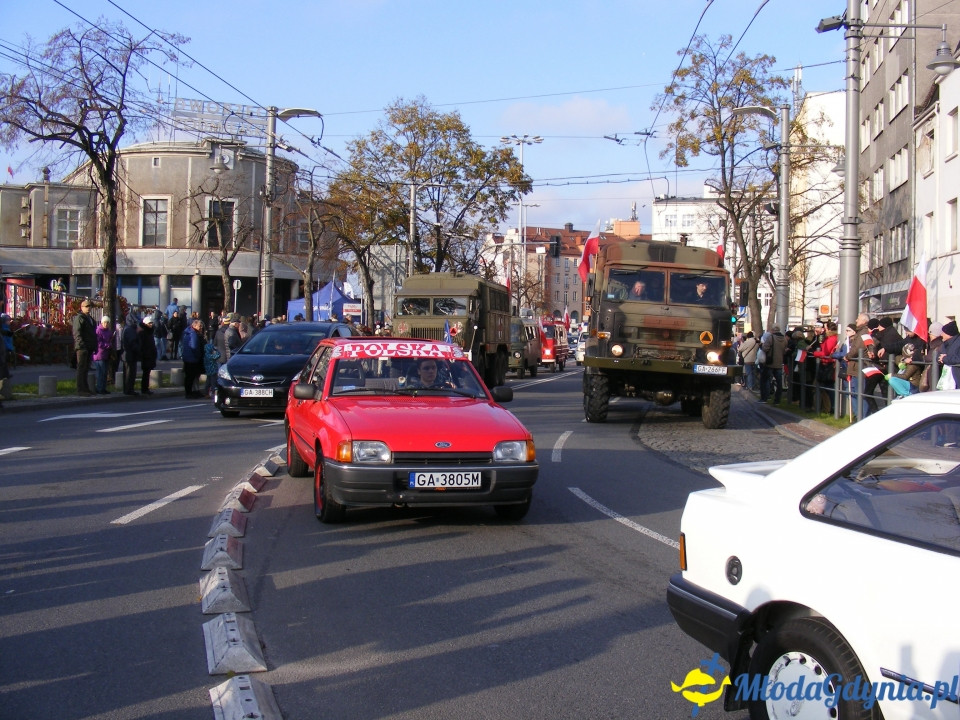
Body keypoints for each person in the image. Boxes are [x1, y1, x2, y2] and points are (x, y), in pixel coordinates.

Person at [72, 298, 97, 396]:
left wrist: (94, 346)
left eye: (89, 306)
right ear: (81, 307)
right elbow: (77, 333)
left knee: (86, 368)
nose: (88, 308)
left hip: (89, 347)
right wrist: (81, 345)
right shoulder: (79, 318)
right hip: (82, 347)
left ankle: (86, 388)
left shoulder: (90, 319)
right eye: (86, 306)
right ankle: (80, 389)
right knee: (81, 368)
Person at [759, 326, 787, 404]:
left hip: (770, 362)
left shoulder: (771, 338)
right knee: (779, 382)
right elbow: (784, 350)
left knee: (764, 380)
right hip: (779, 363)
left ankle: (764, 398)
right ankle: (777, 400)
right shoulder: (784, 339)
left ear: (773, 330)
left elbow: (765, 348)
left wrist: (761, 345)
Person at [181, 317, 206, 398]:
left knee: (190, 376)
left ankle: (190, 392)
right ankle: (189, 393)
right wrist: (198, 355)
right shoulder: (193, 334)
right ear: (194, 326)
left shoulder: (187, 332)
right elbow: (194, 346)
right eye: (199, 326)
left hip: (187, 357)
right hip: (192, 358)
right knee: (190, 377)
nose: (200, 328)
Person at [92, 315, 114, 394]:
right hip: (99, 354)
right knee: (100, 372)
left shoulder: (108, 331)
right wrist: (107, 345)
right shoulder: (98, 331)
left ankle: (103, 388)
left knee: (105, 372)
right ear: (102, 322)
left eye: (107, 323)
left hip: (106, 354)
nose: (106, 324)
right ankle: (99, 388)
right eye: (105, 322)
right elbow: (99, 343)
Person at [122, 313, 141, 395]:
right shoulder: (130, 330)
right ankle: (129, 389)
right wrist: (138, 349)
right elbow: (132, 342)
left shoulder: (127, 328)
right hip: (129, 355)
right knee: (130, 373)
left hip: (128, 354)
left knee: (129, 373)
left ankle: (128, 389)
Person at [139, 315, 158, 395]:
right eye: (149, 323)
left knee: (148, 372)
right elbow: (142, 345)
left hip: (151, 355)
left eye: (151, 323)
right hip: (146, 355)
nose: (151, 325)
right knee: (145, 373)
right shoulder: (143, 333)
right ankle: (144, 389)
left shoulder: (150, 332)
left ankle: (146, 388)